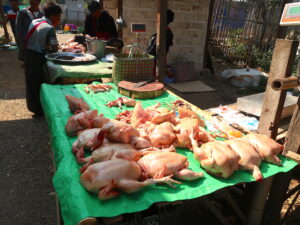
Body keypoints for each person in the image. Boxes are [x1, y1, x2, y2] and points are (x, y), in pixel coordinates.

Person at [24, 2, 62, 116]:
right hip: (38, 58)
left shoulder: (35, 21)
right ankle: (40, 110)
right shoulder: (49, 28)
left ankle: (33, 108)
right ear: (52, 16)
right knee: (40, 83)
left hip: (28, 55)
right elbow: (54, 49)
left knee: (31, 82)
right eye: (59, 17)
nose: (59, 20)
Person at [147, 9, 175, 80]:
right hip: (155, 61)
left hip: (156, 62)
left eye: (157, 17)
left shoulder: (165, 33)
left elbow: (156, 51)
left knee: (154, 81)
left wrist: (146, 56)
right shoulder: (162, 32)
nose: (156, 20)